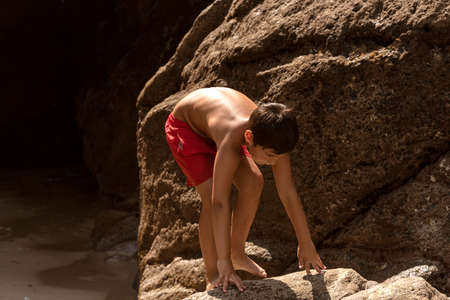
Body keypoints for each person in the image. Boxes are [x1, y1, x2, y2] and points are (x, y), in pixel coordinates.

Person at [164, 87, 325, 292]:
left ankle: (237, 253)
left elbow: (287, 192)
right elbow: (219, 203)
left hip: (217, 122)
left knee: (253, 181)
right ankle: (214, 273)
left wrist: (306, 242)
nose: (273, 162)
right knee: (211, 193)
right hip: (187, 128)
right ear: (249, 138)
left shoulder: (275, 138)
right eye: (268, 156)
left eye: (277, 157)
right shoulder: (233, 140)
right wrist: (223, 262)